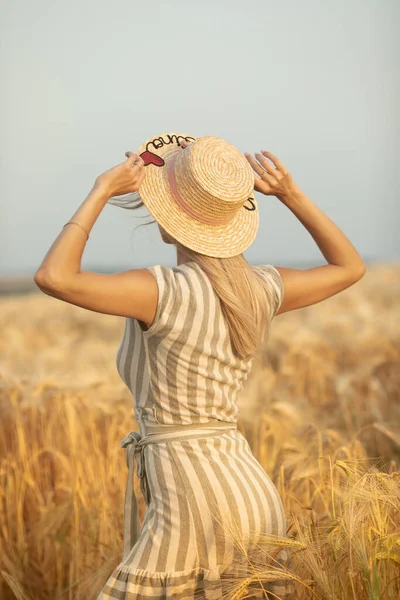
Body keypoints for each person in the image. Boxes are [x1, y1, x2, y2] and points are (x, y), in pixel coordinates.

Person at [34, 132, 366, 599]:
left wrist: (101, 190)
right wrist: (292, 195)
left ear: (171, 219)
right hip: (248, 487)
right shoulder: (261, 288)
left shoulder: (161, 291)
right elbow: (350, 267)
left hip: (193, 495)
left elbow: (54, 277)